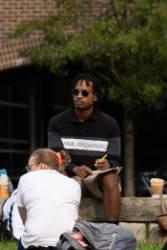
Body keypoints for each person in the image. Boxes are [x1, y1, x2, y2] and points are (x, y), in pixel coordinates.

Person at [47, 73, 122, 223]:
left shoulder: (110, 124)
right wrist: (73, 168)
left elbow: (116, 159)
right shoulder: (57, 123)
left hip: (98, 178)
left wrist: (108, 165)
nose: (79, 96)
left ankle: (113, 231)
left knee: (111, 177)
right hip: (70, 177)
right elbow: (55, 157)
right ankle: (61, 231)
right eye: (76, 92)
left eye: (85, 93)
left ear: (95, 97)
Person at [13, 148, 81, 250]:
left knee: (24, 239)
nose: (28, 171)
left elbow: (24, 219)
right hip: (67, 248)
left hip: (34, 249)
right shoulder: (74, 184)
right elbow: (74, 216)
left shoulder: (26, 178)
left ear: (42, 166)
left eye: (29, 167)